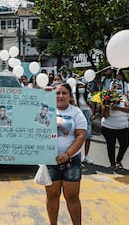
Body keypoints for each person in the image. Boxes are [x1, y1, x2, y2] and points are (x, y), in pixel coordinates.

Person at [44, 83, 87, 225]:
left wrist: (67, 154)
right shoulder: (45, 109)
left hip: (71, 162)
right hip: (50, 161)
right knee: (52, 195)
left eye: (64, 93)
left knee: (72, 196)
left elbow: (81, 136)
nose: (61, 96)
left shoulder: (76, 112)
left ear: (70, 96)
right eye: (57, 93)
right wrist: (42, 95)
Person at [101, 81, 129, 171]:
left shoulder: (123, 97)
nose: (117, 89)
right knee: (111, 145)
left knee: (125, 144)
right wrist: (107, 105)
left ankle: (119, 160)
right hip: (109, 127)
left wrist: (118, 108)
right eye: (115, 87)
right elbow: (105, 115)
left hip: (123, 126)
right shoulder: (106, 98)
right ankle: (112, 163)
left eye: (119, 88)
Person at [74, 82, 94, 164]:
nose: (81, 89)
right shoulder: (74, 96)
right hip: (78, 114)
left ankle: (86, 155)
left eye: (83, 87)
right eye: (80, 87)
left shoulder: (88, 95)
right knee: (77, 137)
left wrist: (91, 114)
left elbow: (92, 106)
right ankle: (76, 155)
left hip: (87, 114)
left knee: (88, 136)